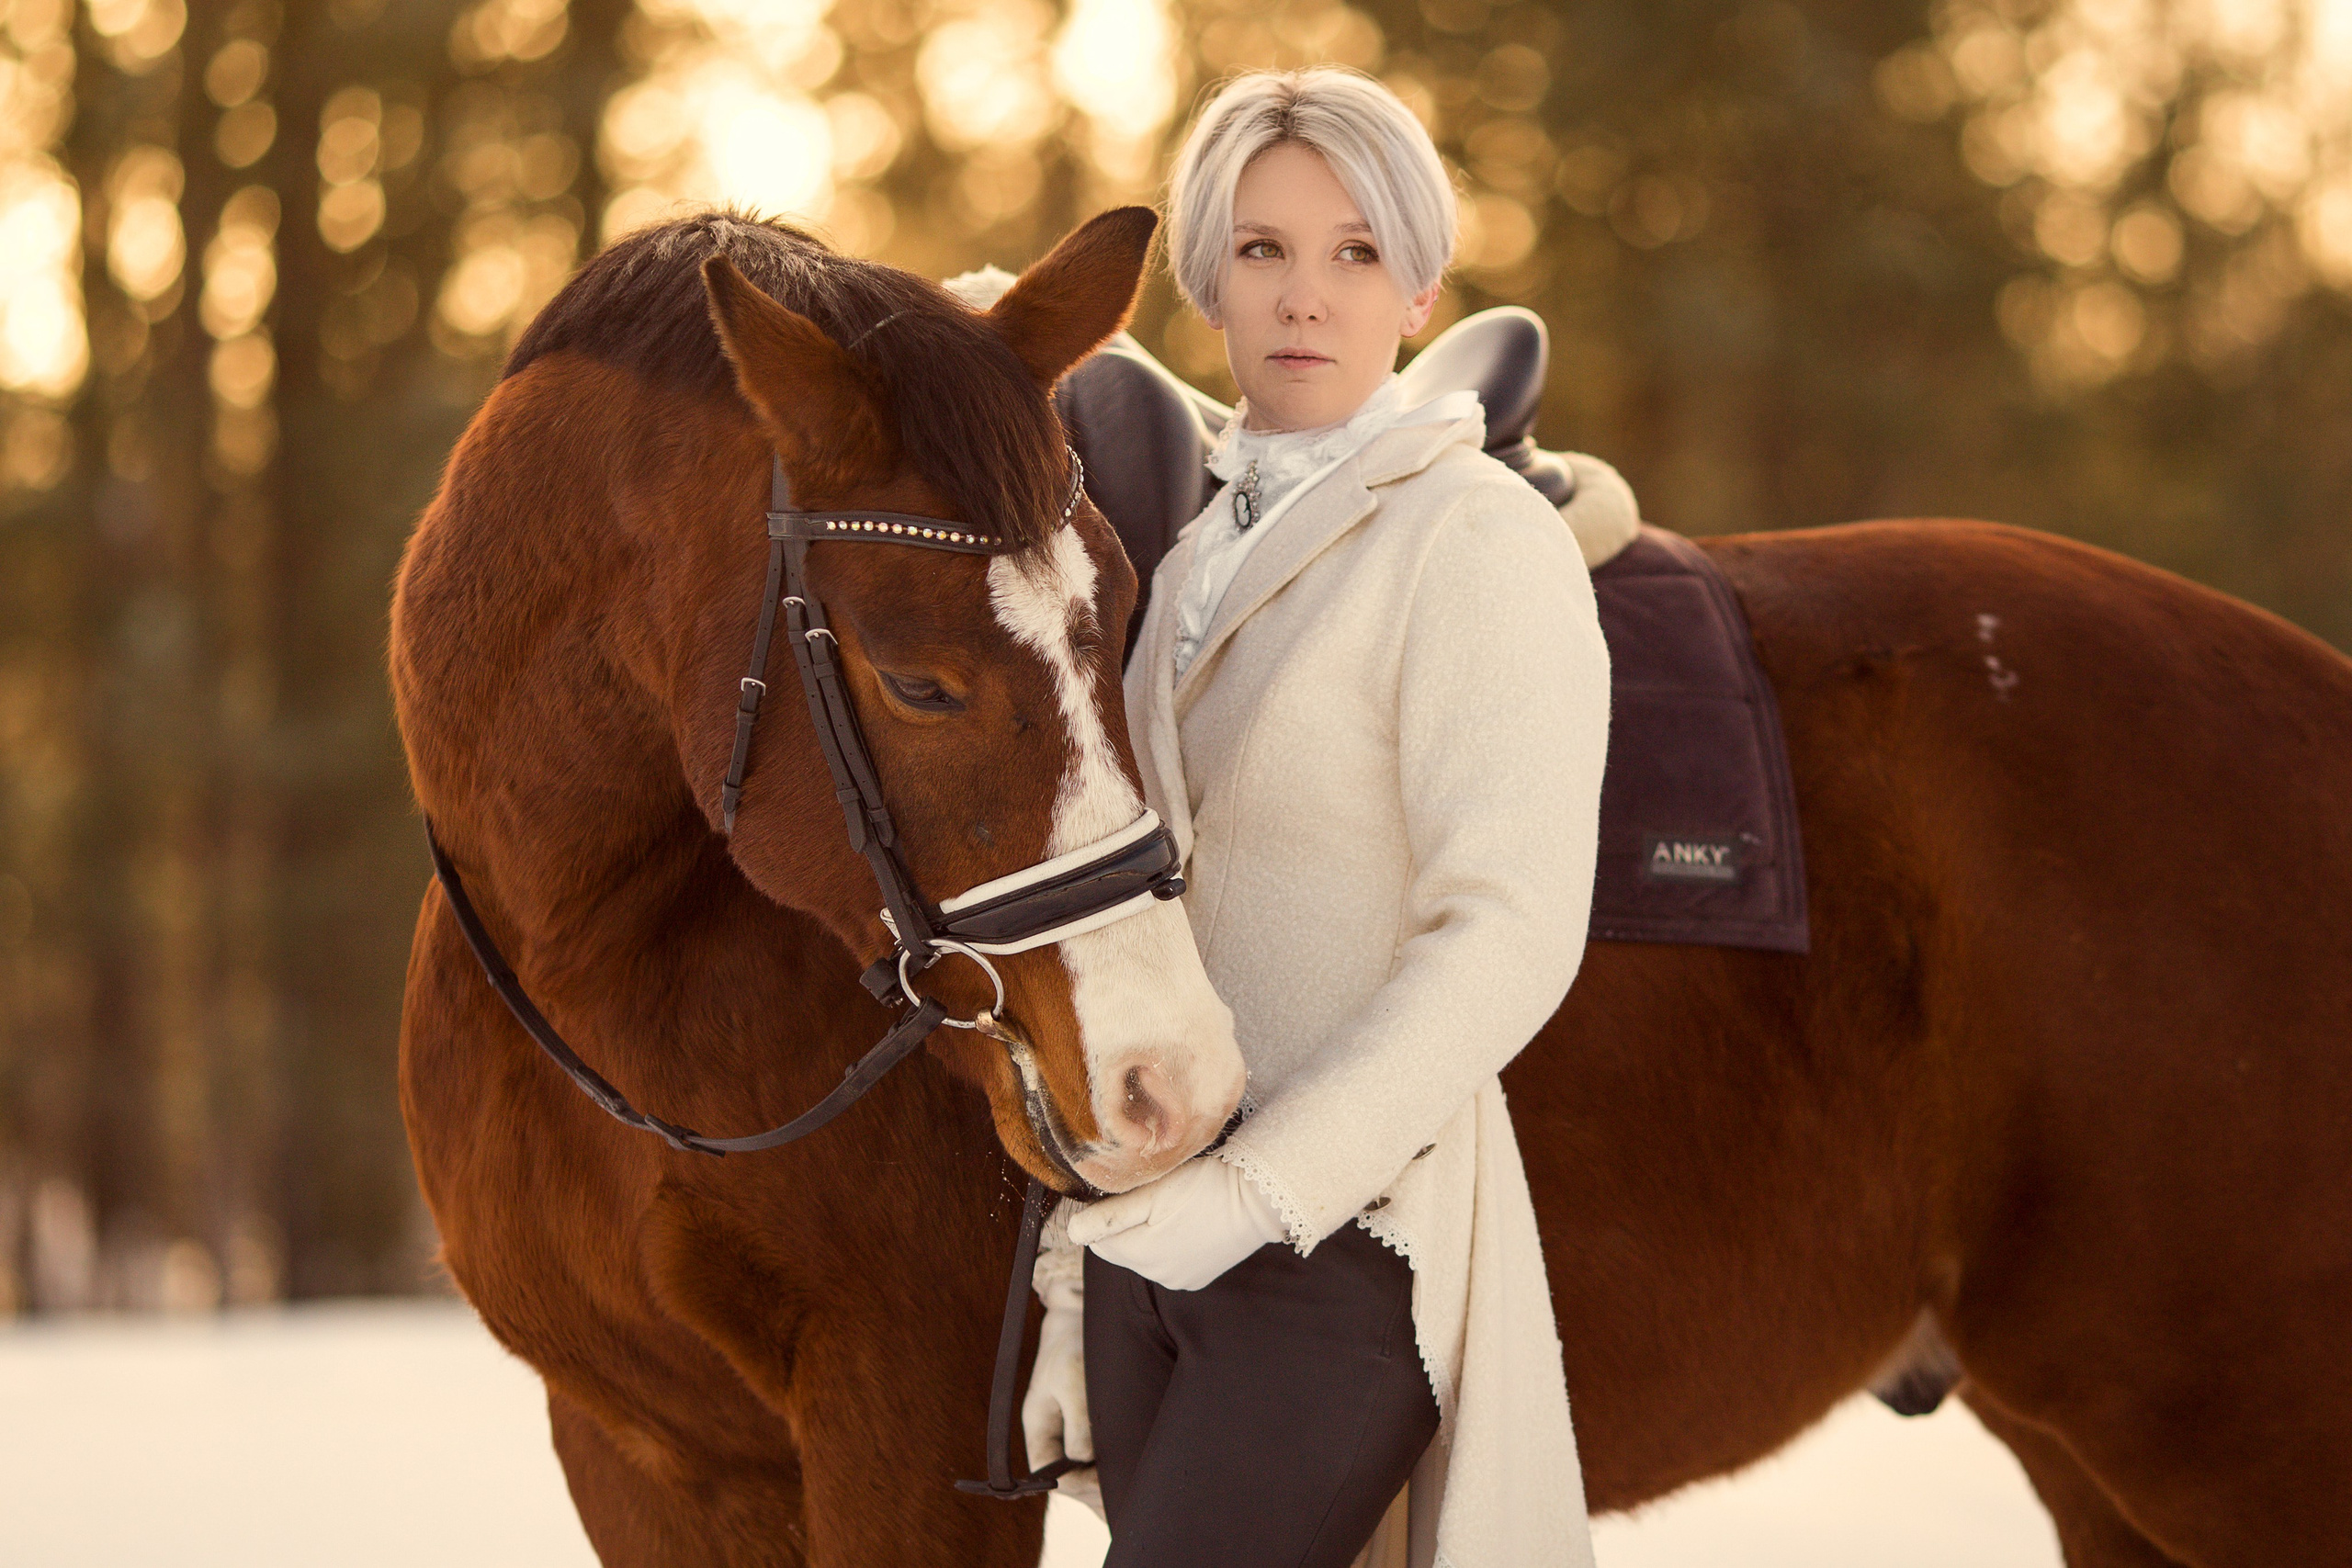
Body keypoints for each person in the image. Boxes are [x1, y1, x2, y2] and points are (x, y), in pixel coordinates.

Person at [1019, 67, 1614, 1568]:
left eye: (1357, 252)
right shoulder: (1174, 562)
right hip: (1156, 1255)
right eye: (1268, 249)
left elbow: (1512, 936)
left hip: (1343, 1246)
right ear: (1213, 272)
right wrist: (1078, 1282)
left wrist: (1263, 1196)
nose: (1308, 295)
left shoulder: (1470, 538)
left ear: (1419, 287)